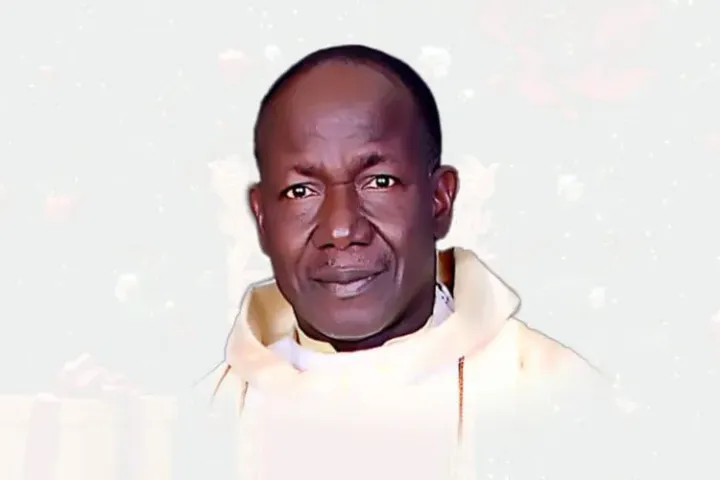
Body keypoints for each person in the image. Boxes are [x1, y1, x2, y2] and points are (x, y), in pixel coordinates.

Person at [195, 44, 632, 480]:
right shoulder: (202, 422)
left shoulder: (562, 401)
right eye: (300, 191)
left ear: (439, 200)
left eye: (379, 181)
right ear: (262, 217)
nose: (341, 229)